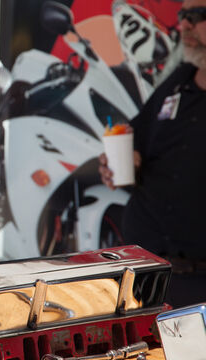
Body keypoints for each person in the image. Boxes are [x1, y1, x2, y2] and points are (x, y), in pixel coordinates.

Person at [99, 0, 206, 308]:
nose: (184, 25)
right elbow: (137, 145)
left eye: (197, 16)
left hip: (197, 287)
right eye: (183, 15)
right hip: (146, 278)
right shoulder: (179, 81)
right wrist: (117, 165)